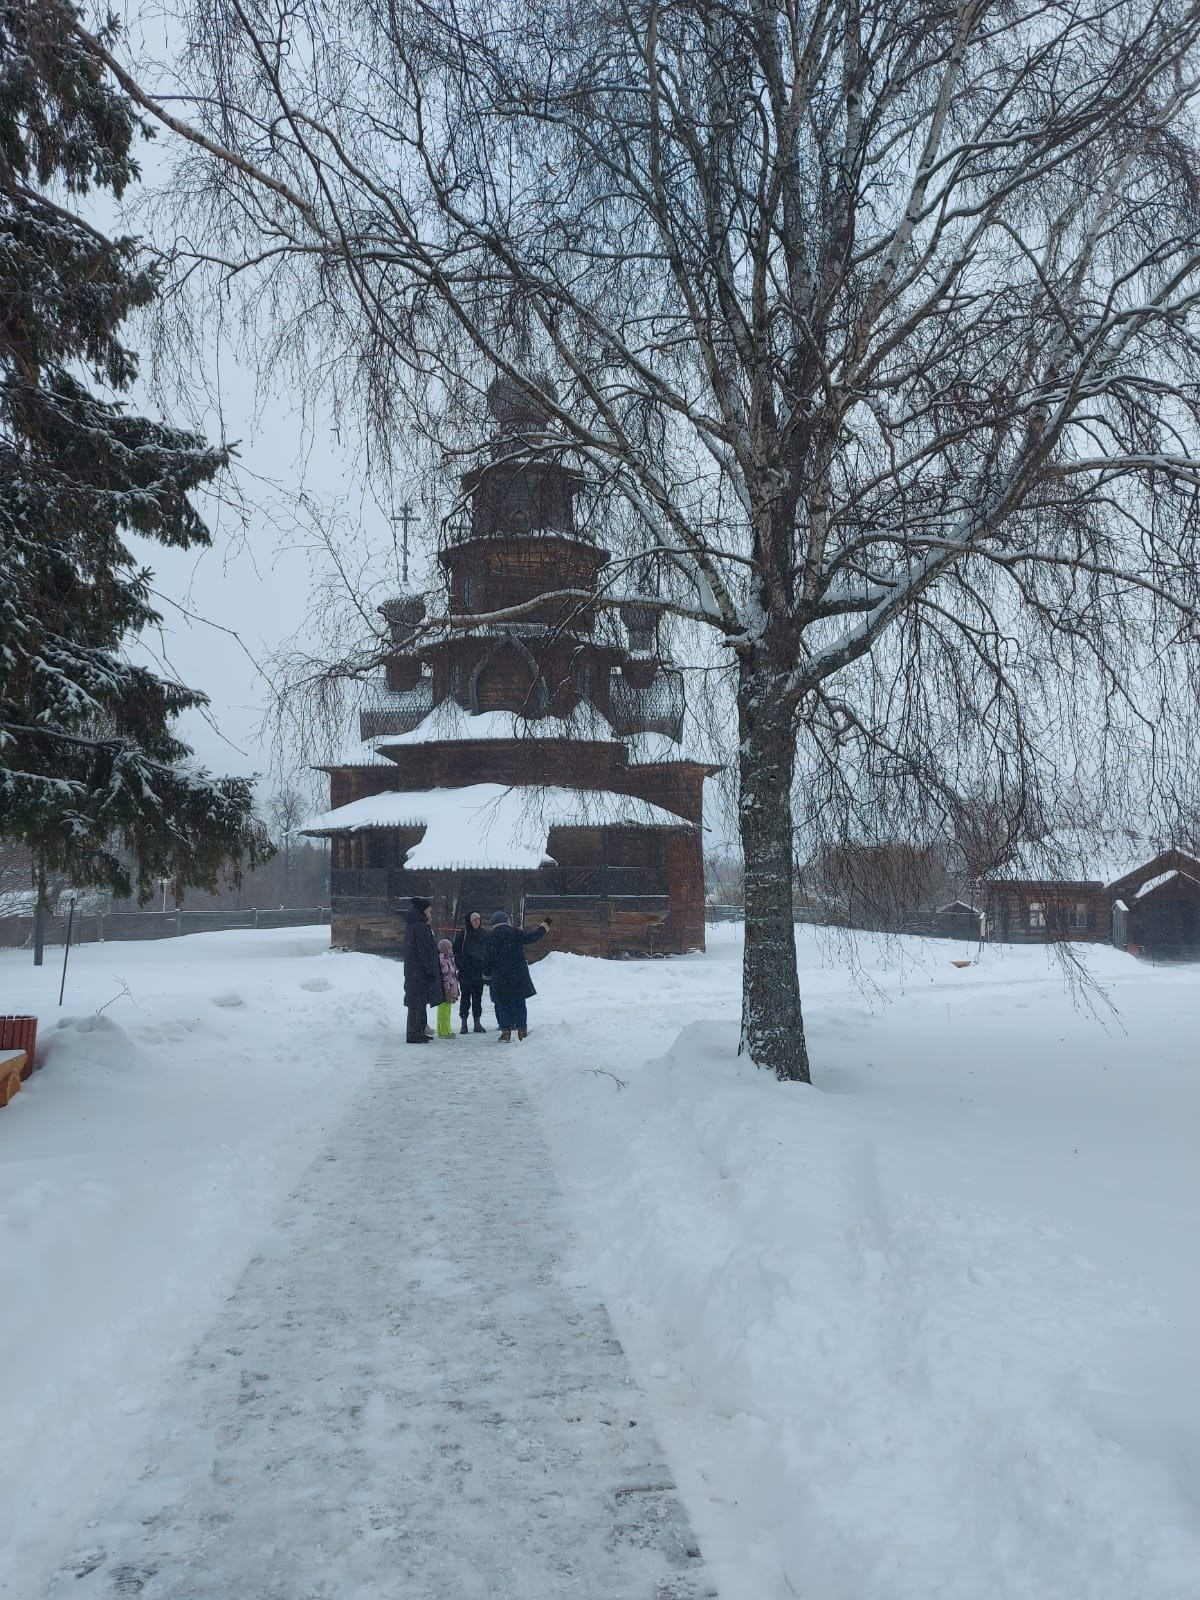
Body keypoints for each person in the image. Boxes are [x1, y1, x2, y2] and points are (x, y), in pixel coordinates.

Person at [483, 909, 551, 1042]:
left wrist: (486, 976)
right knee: (519, 1003)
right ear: (506, 921)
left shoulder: (490, 937)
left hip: (500, 977)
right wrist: (545, 926)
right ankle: (522, 1031)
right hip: (517, 975)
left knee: (503, 1005)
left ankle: (506, 1032)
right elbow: (532, 937)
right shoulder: (515, 933)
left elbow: (486, 958)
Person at [402, 896, 441, 1044]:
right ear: (423, 911)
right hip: (419, 972)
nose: (431, 913)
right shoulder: (420, 927)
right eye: (430, 911)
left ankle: (418, 1032)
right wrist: (430, 971)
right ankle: (414, 1034)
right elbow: (425, 951)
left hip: (414, 971)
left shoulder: (414, 926)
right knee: (416, 1003)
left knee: (418, 1002)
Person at [452, 910, 489, 1033]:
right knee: (465, 999)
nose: (477, 922)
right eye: (474, 920)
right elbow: (455, 951)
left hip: (478, 972)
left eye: (478, 919)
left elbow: (488, 951)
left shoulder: (484, 934)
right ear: (469, 921)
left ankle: (477, 1023)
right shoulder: (463, 934)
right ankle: (464, 1024)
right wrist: (461, 964)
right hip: (466, 973)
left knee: (477, 999)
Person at [436, 938, 460, 1039]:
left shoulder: (450, 959)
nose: (451, 950)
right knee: (444, 1012)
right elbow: (445, 977)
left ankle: (442, 1030)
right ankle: (445, 1032)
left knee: (447, 1011)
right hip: (446, 990)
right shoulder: (443, 960)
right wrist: (448, 990)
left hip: (450, 989)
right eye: (449, 948)